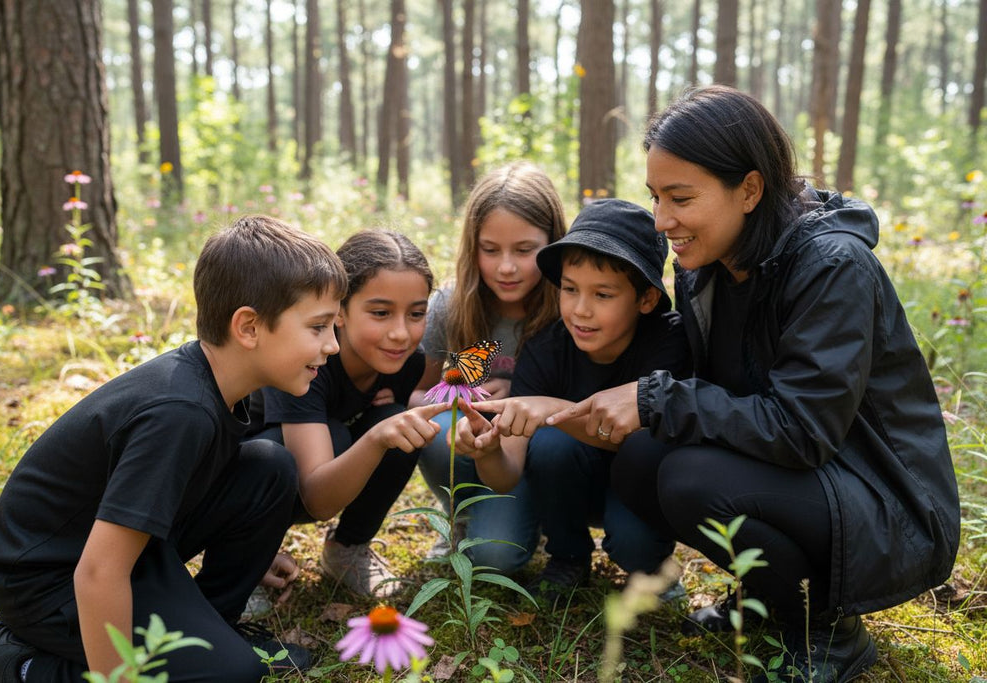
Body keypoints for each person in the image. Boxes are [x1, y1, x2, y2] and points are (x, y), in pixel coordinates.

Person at [551, 86, 961, 682]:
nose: (663, 220)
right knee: (643, 458)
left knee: (689, 476)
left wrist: (652, 398)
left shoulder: (832, 266)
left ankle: (828, 631)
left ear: (748, 189)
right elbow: (711, 397)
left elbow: (804, 430)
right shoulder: (706, 268)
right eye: (656, 197)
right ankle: (768, 600)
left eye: (681, 198)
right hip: (809, 479)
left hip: (883, 500)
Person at [0, 215, 346, 682]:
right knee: (232, 675)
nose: (331, 345)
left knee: (269, 466)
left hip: (128, 548)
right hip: (49, 580)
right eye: (319, 327)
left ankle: (214, 624)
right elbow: (98, 574)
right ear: (248, 327)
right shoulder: (179, 410)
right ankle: (15, 663)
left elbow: (202, 490)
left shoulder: (226, 381)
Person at [451, 199, 691, 603]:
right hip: (565, 483)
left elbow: (646, 436)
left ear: (646, 299)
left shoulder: (668, 342)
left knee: (636, 545)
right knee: (550, 444)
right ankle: (567, 555)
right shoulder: (546, 348)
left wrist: (553, 410)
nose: (581, 310)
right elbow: (506, 472)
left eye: (603, 294)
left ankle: (652, 566)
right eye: (569, 289)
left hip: (635, 485)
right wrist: (488, 450)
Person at [247, 229, 446, 599]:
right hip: (241, 485)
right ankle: (246, 559)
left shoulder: (405, 363)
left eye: (417, 313)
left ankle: (347, 548)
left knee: (399, 420)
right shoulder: (306, 360)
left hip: (319, 468)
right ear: (339, 311)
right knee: (343, 435)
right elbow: (316, 498)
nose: (401, 333)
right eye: (381, 313)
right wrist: (376, 437)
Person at [410, 161, 567, 573]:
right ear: (472, 246)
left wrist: (516, 398)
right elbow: (416, 395)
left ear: (552, 243)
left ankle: (549, 519)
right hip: (472, 445)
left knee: (497, 556)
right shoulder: (453, 306)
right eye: (490, 249)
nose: (506, 268)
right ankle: (461, 515)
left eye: (525, 250)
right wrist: (463, 400)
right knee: (434, 430)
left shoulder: (568, 307)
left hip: (542, 449)